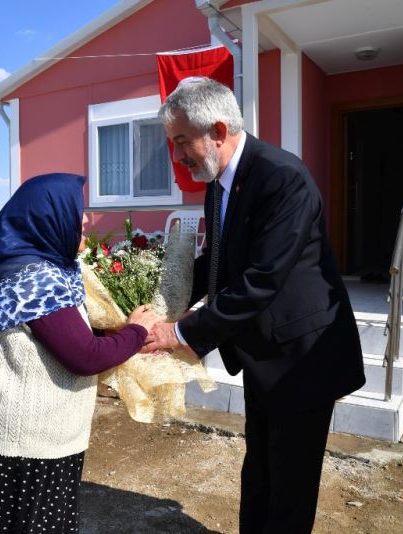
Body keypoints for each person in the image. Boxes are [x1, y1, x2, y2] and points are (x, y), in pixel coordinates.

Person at [142, 77, 365, 533]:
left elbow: (261, 280)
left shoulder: (282, 177)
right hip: (264, 354)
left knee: (290, 487)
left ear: (218, 132)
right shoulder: (220, 182)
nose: (177, 156)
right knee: (260, 470)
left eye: (182, 142)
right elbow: (219, 261)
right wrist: (163, 305)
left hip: (303, 357)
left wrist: (180, 333)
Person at [0, 173, 161, 533]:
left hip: (5, 438)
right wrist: (137, 332)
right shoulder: (35, 282)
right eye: (77, 213)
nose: (84, 221)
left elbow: (63, 334)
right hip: (26, 450)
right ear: (49, 218)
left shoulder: (20, 265)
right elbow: (84, 356)